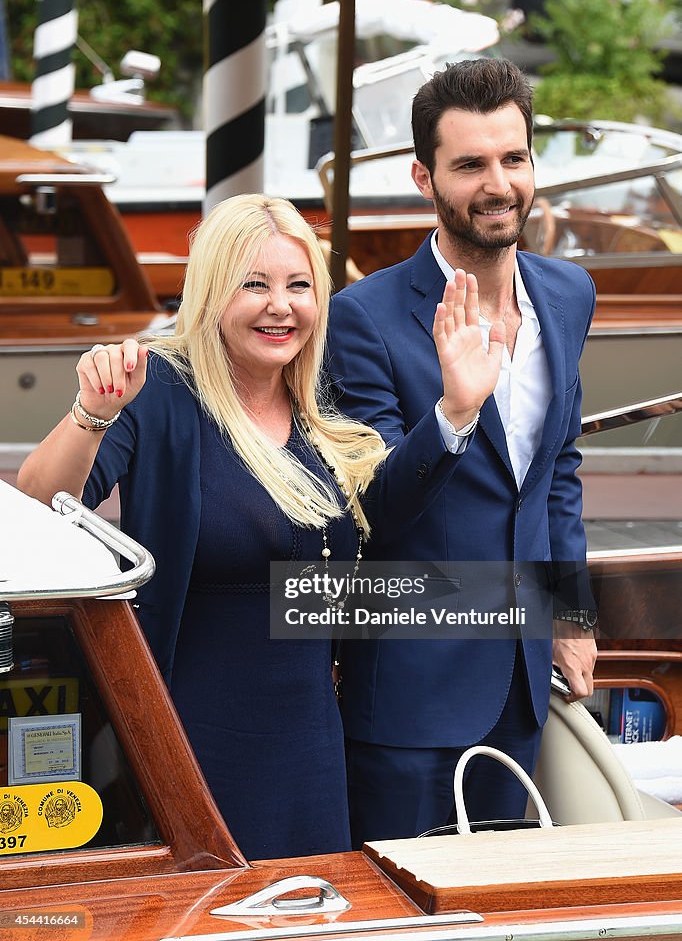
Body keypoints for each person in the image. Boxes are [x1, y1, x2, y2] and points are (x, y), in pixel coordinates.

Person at [18, 193, 504, 861]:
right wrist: (90, 416)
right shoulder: (158, 388)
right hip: (192, 741)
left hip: (309, 740)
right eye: (256, 284)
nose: (282, 305)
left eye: (299, 285)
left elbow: (383, 516)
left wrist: (455, 408)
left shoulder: (315, 407)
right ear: (213, 291)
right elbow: (43, 506)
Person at [326, 58, 599, 847]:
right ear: (424, 176)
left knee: (497, 914)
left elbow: (557, 477)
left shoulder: (569, 292)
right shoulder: (363, 317)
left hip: (522, 684)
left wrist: (571, 616)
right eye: (470, 164)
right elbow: (370, 506)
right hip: (410, 694)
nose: (497, 183)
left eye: (513, 159)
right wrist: (452, 413)